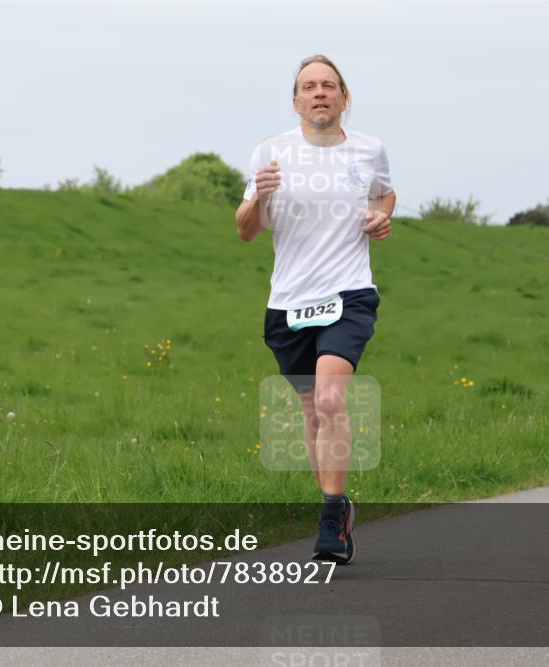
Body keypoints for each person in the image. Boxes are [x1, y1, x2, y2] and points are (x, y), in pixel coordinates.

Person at [235, 55, 395, 563]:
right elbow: (246, 230)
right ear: (296, 101)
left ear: (344, 98)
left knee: (329, 401)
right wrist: (257, 199)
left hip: (349, 294)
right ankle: (338, 503)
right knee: (311, 411)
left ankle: (330, 516)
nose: (319, 92)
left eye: (329, 85)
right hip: (289, 302)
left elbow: (385, 195)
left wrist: (380, 216)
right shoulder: (271, 152)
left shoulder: (369, 150)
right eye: (309, 86)